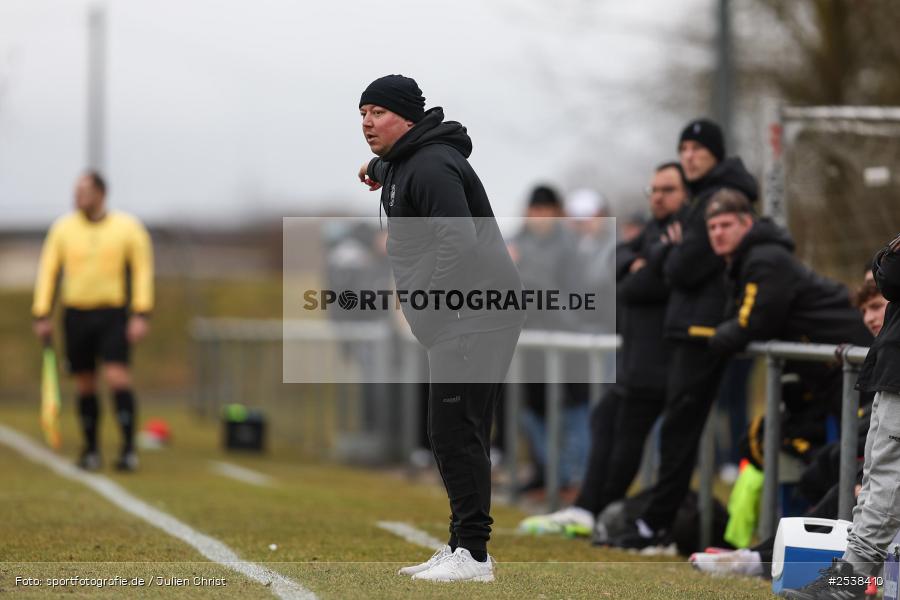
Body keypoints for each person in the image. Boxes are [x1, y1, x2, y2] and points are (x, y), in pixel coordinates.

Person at [357, 74, 524, 583]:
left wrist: (428, 308)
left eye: (378, 113)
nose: (367, 123)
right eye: (362, 113)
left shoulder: (430, 165)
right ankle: (461, 545)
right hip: (467, 312)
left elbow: (459, 242)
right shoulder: (409, 159)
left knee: (455, 431)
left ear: (407, 119)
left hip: (474, 312)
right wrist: (374, 168)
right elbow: (393, 163)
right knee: (455, 430)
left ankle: (473, 554)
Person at [611, 118, 759, 549]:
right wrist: (666, 253)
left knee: (680, 431)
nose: (689, 156)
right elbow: (640, 264)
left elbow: (682, 268)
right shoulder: (703, 196)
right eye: (684, 149)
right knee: (678, 431)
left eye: (698, 149)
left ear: (716, 153)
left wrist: (668, 255)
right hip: (692, 326)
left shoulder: (716, 199)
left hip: (702, 329)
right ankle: (655, 520)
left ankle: (656, 525)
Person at [518, 162, 687, 538]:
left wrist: (642, 270)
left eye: (668, 190)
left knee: (669, 439)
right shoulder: (652, 233)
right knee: (608, 420)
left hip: (663, 349)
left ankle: (646, 522)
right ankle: (592, 508)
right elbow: (625, 269)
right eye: (654, 190)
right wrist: (641, 268)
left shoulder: (684, 231)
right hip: (634, 348)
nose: (658, 197)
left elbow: (639, 281)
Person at [785, 233, 900, 600]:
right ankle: (852, 578)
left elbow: (890, 278)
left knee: (885, 483)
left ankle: (849, 584)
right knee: (873, 480)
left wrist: (889, 255)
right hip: (890, 373)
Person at [32, 171, 154, 472]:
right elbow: (49, 271)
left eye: (85, 191)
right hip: (76, 314)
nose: (78, 197)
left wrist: (141, 313)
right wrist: (42, 312)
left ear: (101, 194)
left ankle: (128, 449)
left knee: (116, 377)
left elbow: (142, 271)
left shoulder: (127, 228)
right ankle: (91, 449)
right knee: (85, 382)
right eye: (76, 191)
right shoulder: (63, 229)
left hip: (112, 314)